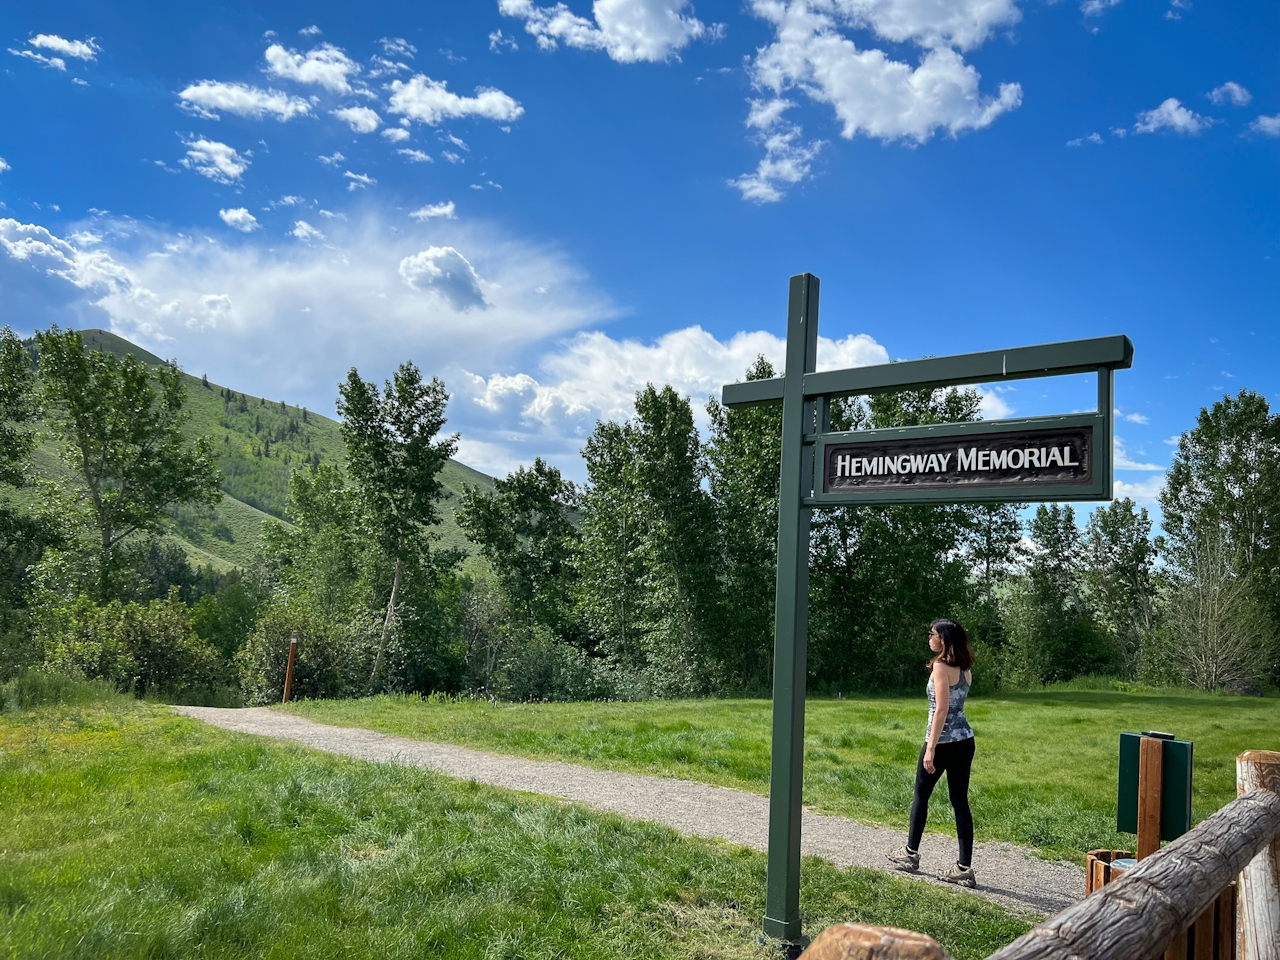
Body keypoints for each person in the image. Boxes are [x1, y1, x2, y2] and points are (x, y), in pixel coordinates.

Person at [887, 618, 977, 888]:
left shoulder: (940, 667)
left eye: (933, 634)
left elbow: (941, 709)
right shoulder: (965, 670)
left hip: (943, 742)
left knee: (921, 796)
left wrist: (931, 748)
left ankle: (910, 854)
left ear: (944, 640)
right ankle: (964, 867)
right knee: (960, 802)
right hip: (966, 741)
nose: (929, 637)